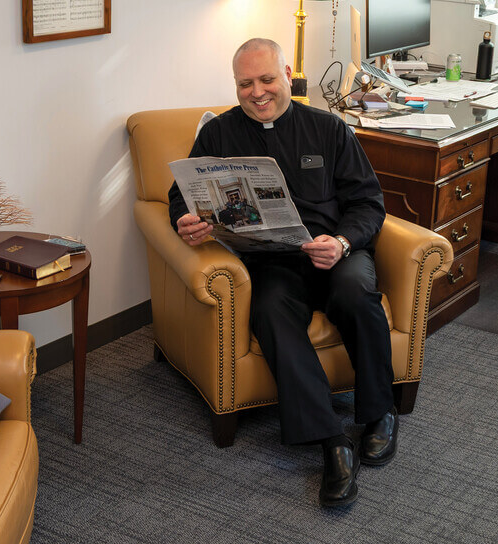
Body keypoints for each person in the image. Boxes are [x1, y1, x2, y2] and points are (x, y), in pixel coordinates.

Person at [167, 38, 393, 507]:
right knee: (268, 310)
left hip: (336, 252)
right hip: (273, 262)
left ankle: (380, 412)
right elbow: (179, 196)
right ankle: (332, 441)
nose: (257, 92)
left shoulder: (327, 128)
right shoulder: (218, 135)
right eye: (245, 84)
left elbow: (369, 202)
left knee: (355, 293)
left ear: (287, 73)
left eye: (267, 79)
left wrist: (344, 242)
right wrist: (185, 220)